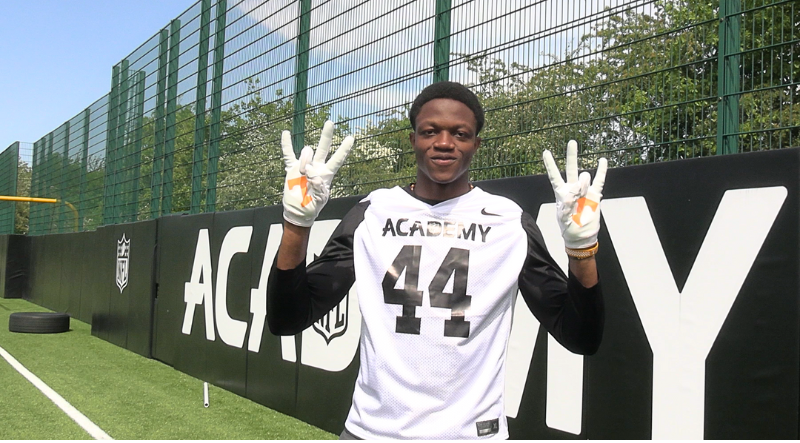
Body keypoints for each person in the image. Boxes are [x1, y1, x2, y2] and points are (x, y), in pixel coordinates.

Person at [267, 81, 606, 440]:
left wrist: (581, 249)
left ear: (476, 144)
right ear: (413, 139)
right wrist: (297, 224)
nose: (444, 143)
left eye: (460, 133)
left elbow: (581, 336)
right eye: (430, 131)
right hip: (372, 432)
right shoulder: (373, 213)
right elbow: (287, 318)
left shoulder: (508, 222)